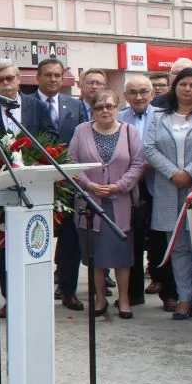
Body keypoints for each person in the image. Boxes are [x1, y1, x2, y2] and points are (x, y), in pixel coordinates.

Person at [0, 60, 56, 315]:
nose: (6, 84)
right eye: (0, 80)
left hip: (33, 184)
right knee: (3, 244)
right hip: (1, 184)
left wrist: (34, 157)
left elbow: (50, 135)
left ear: (19, 79)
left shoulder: (36, 105)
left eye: (10, 78)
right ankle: (10, 298)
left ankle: (34, 296)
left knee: (34, 239)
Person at [70, 89, 145, 318]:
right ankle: (100, 299)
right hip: (90, 202)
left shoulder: (129, 131)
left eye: (110, 106)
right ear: (92, 110)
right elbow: (70, 161)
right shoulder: (81, 130)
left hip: (120, 203)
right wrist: (89, 185)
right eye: (99, 107)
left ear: (117, 108)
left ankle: (123, 300)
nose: (105, 111)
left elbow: (138, 164)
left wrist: (120, 185)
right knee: (96, 256)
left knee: (122, 256)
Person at [143, 67, 192, 319]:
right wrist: (174, 173)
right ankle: (185, 299)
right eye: (183, 84)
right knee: (178, 248)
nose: (187, 89)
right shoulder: (159, 116)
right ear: (175, 87)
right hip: (167, 189)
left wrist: (188, 173)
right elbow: (149, 148)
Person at [36, 58, 88, 310]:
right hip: (35, 180)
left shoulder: (75, 106)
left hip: (68, 182)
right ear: (38, 78)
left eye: (57, 75)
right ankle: (29, 292)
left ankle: (68, 290)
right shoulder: (26, 104)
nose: (53, 79)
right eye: (48, 74)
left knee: (71, 237)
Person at [119, 75, 157, 306]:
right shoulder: (120, 117)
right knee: (130, 238)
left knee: (158, 238)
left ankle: (167, 291)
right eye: (133, 92)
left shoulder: (163, 117)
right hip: (128, 185)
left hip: (158, 182)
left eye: (144, 91)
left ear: (152, 94)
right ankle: (133, 294)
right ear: (125, 96)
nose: (139, 96)